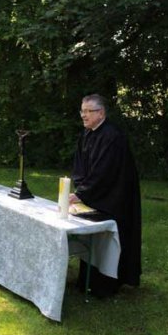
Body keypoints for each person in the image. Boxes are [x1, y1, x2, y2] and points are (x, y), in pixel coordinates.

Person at [69, 93, 142, 297]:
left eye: (88, 111)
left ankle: (106, 285)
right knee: (92, 237)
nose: (83, 115)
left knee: (108, 238)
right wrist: (81, 187)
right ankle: (87, 280)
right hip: (95, 195)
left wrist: (82, 193)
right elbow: (80, 166)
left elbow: (105, 172)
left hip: (114, 197)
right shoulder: (87, 134)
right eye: (82, 111)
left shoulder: (112, 137)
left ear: (101, 113)